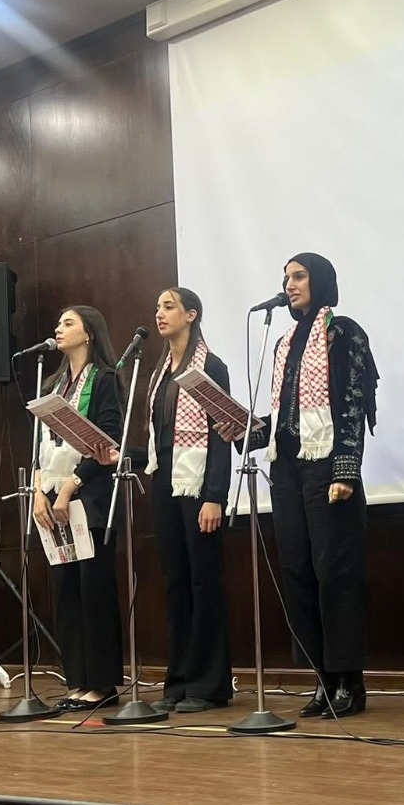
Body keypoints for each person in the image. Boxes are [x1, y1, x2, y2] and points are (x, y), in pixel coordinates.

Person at [249, 253, 379, 718]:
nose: (289, 285)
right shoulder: (283, 342)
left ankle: (349, 681)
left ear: (321, 281)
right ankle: (322, 678)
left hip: (327, 468)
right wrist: (246, 430)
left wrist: (346, 469)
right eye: (286, 278)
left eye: (299, 276)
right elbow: (287, 415)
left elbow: (353, 402)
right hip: (287, 470)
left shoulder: (343, 332)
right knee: (298, 571)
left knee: (335, 574)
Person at [144, 287, 234, 713]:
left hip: (197, 485)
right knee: (176, 582)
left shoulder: (211, 366)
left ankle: (209, 685)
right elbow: (158, 437)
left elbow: (222, 435)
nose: (159, 314)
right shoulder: (159, 370)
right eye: (158, 307)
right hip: (165, 481)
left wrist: (215, 496)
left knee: (203, 582)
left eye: (169, 306)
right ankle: (178, 680)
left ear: (191, 314)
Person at [32, 305, 124, 717]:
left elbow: (108, 439)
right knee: (65, 591)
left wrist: (70, 487)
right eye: (59, 323)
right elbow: (39, 446)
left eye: (68, 323)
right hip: (52, 500)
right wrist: (39, 492)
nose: (59, 328)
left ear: (89, 333)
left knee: (93, 590)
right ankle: (77, 680)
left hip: (90, 497)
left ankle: (102, 683)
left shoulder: (104, 379)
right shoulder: (52, 384)